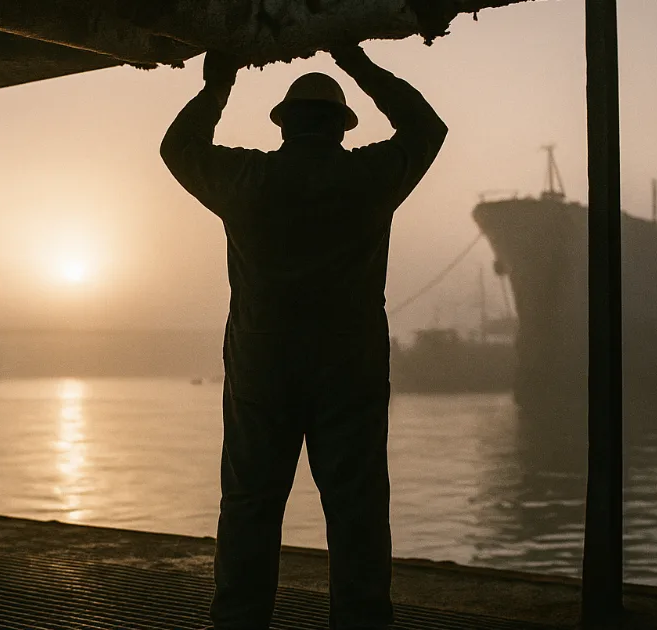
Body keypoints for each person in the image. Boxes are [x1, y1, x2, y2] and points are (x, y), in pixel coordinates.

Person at [160, 44, 447, 630]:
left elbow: (178, 147)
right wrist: (356, 61)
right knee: (357, 509)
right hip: (351, 366)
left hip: (261, 367)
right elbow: (425, 127)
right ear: (341, 127)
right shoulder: (369, 178)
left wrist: (217, 86)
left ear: (284, 125)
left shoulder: (246, 179)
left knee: (250, 504)